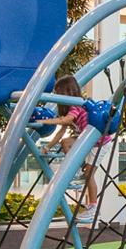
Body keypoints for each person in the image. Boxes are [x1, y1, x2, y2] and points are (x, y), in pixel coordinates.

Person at [39, 75, 100, 222]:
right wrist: (47, 146)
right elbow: (61, 132)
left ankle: (93, 208)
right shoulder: (72, 108)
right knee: (66, 142)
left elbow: (67, 120)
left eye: (58, 92)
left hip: (99, 142)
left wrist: (45, 121)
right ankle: (76, 170)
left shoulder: (77, 105)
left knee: (89, 175)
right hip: (88, 140)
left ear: (66, 92)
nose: (57, 96)